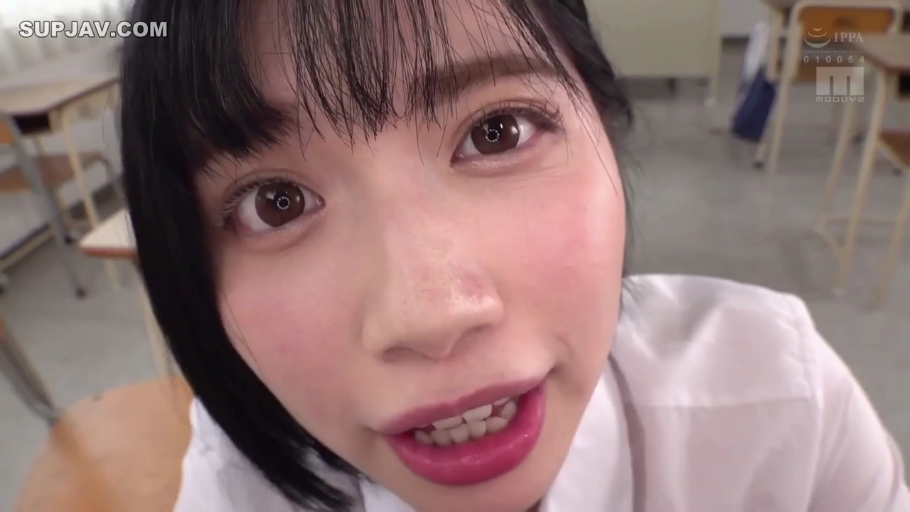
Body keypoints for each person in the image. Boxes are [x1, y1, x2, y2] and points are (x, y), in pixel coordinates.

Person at [118, 0, 909, 510]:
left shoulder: (781, 407)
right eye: (276, 203)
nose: (430, 317)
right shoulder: (244, 480)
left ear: (603, 121)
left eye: (495, 132)